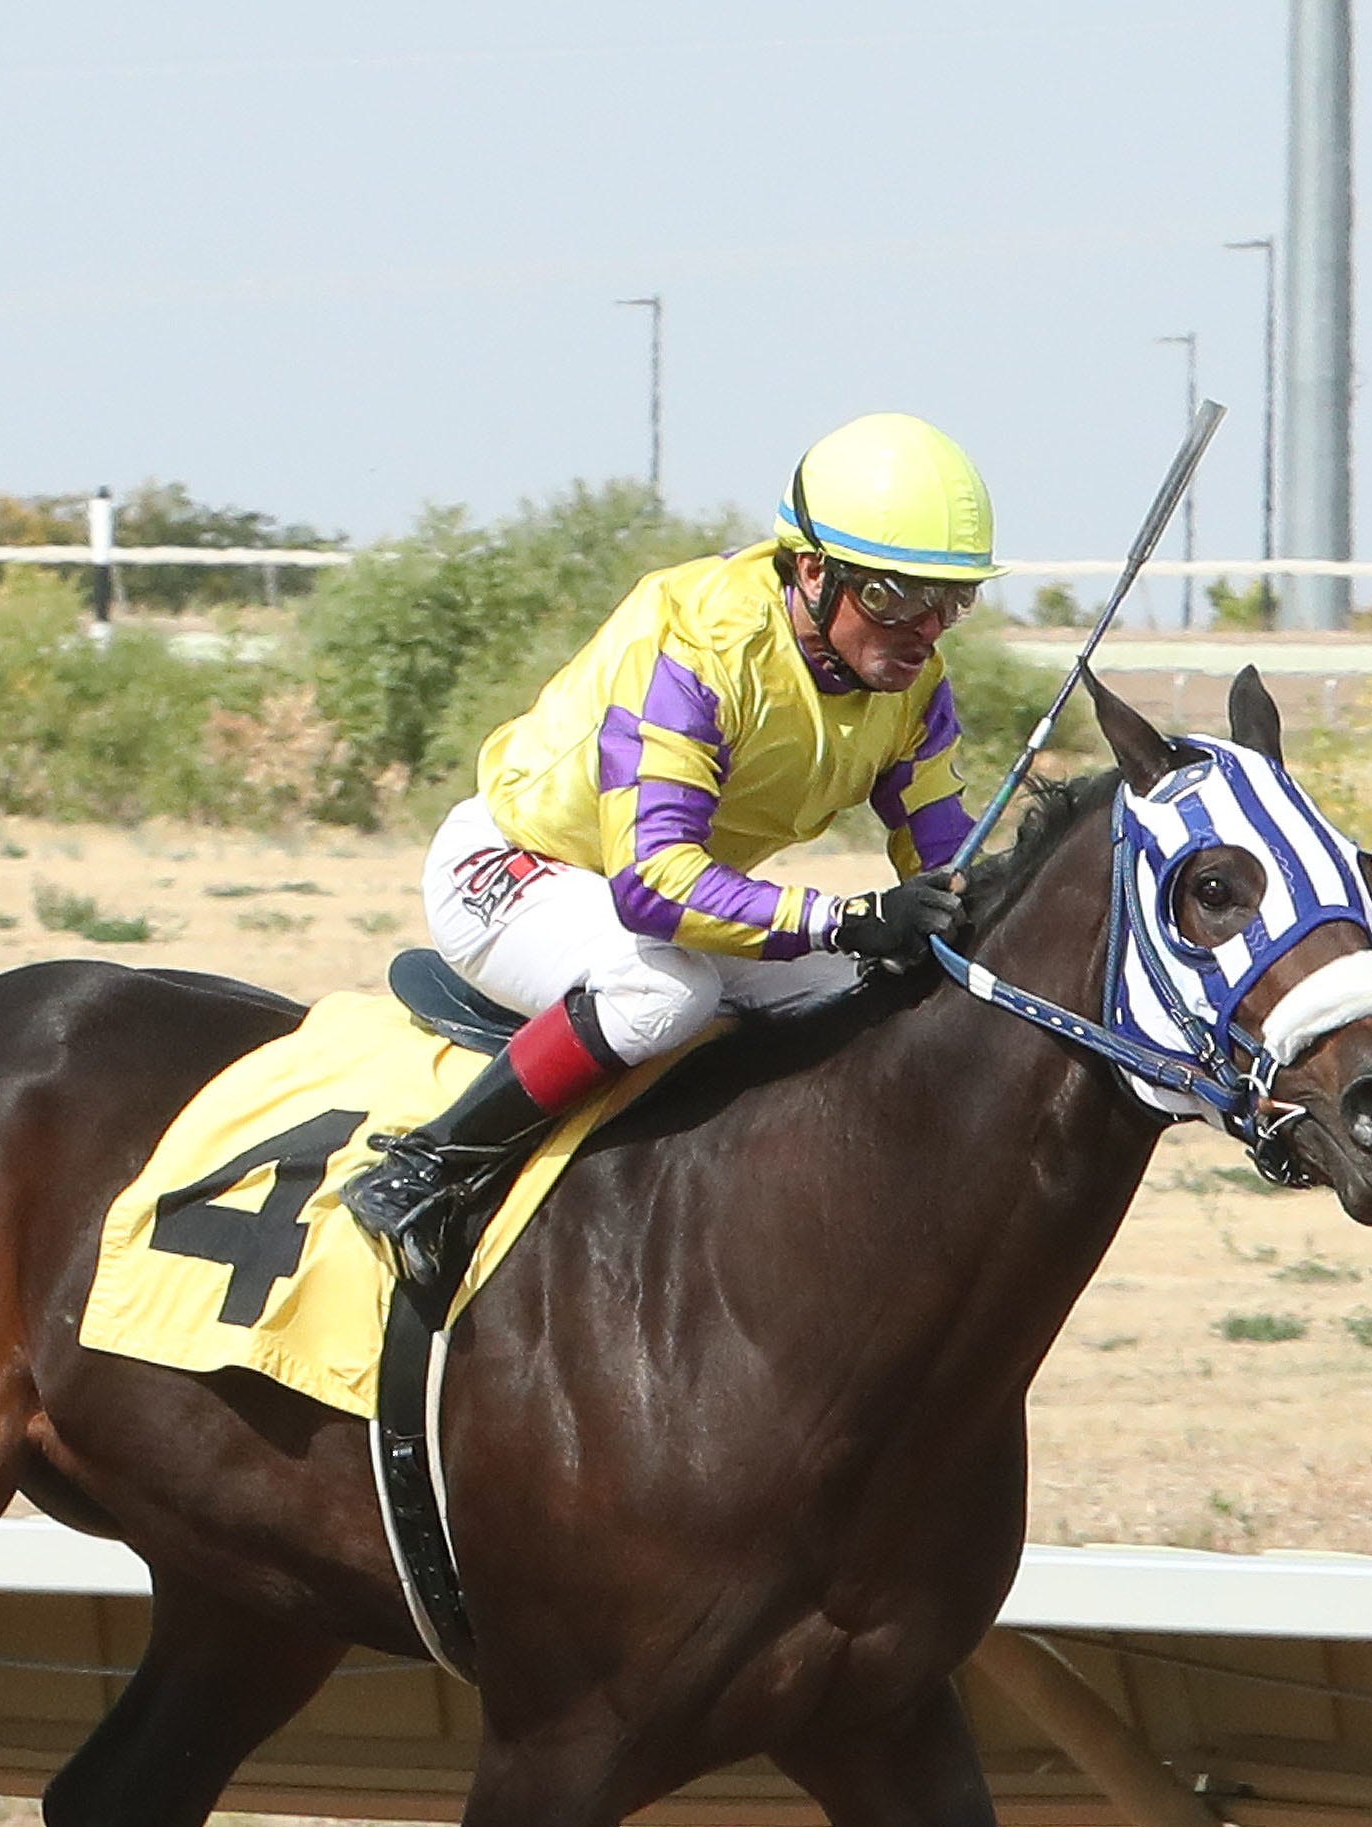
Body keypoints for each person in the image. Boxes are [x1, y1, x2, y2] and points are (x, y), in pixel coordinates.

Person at [340, 412, 996, 1291]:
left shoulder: (915, 693)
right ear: (814, 571)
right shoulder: (698, 647)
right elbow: (651, 886)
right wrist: (847, 918)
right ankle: (428, 1167)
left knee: (883, 997)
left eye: (951, 601)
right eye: (894, 596)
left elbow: (946, 864)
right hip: (516, 870)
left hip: (665, 892)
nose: (925, 629)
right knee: (665, 992)